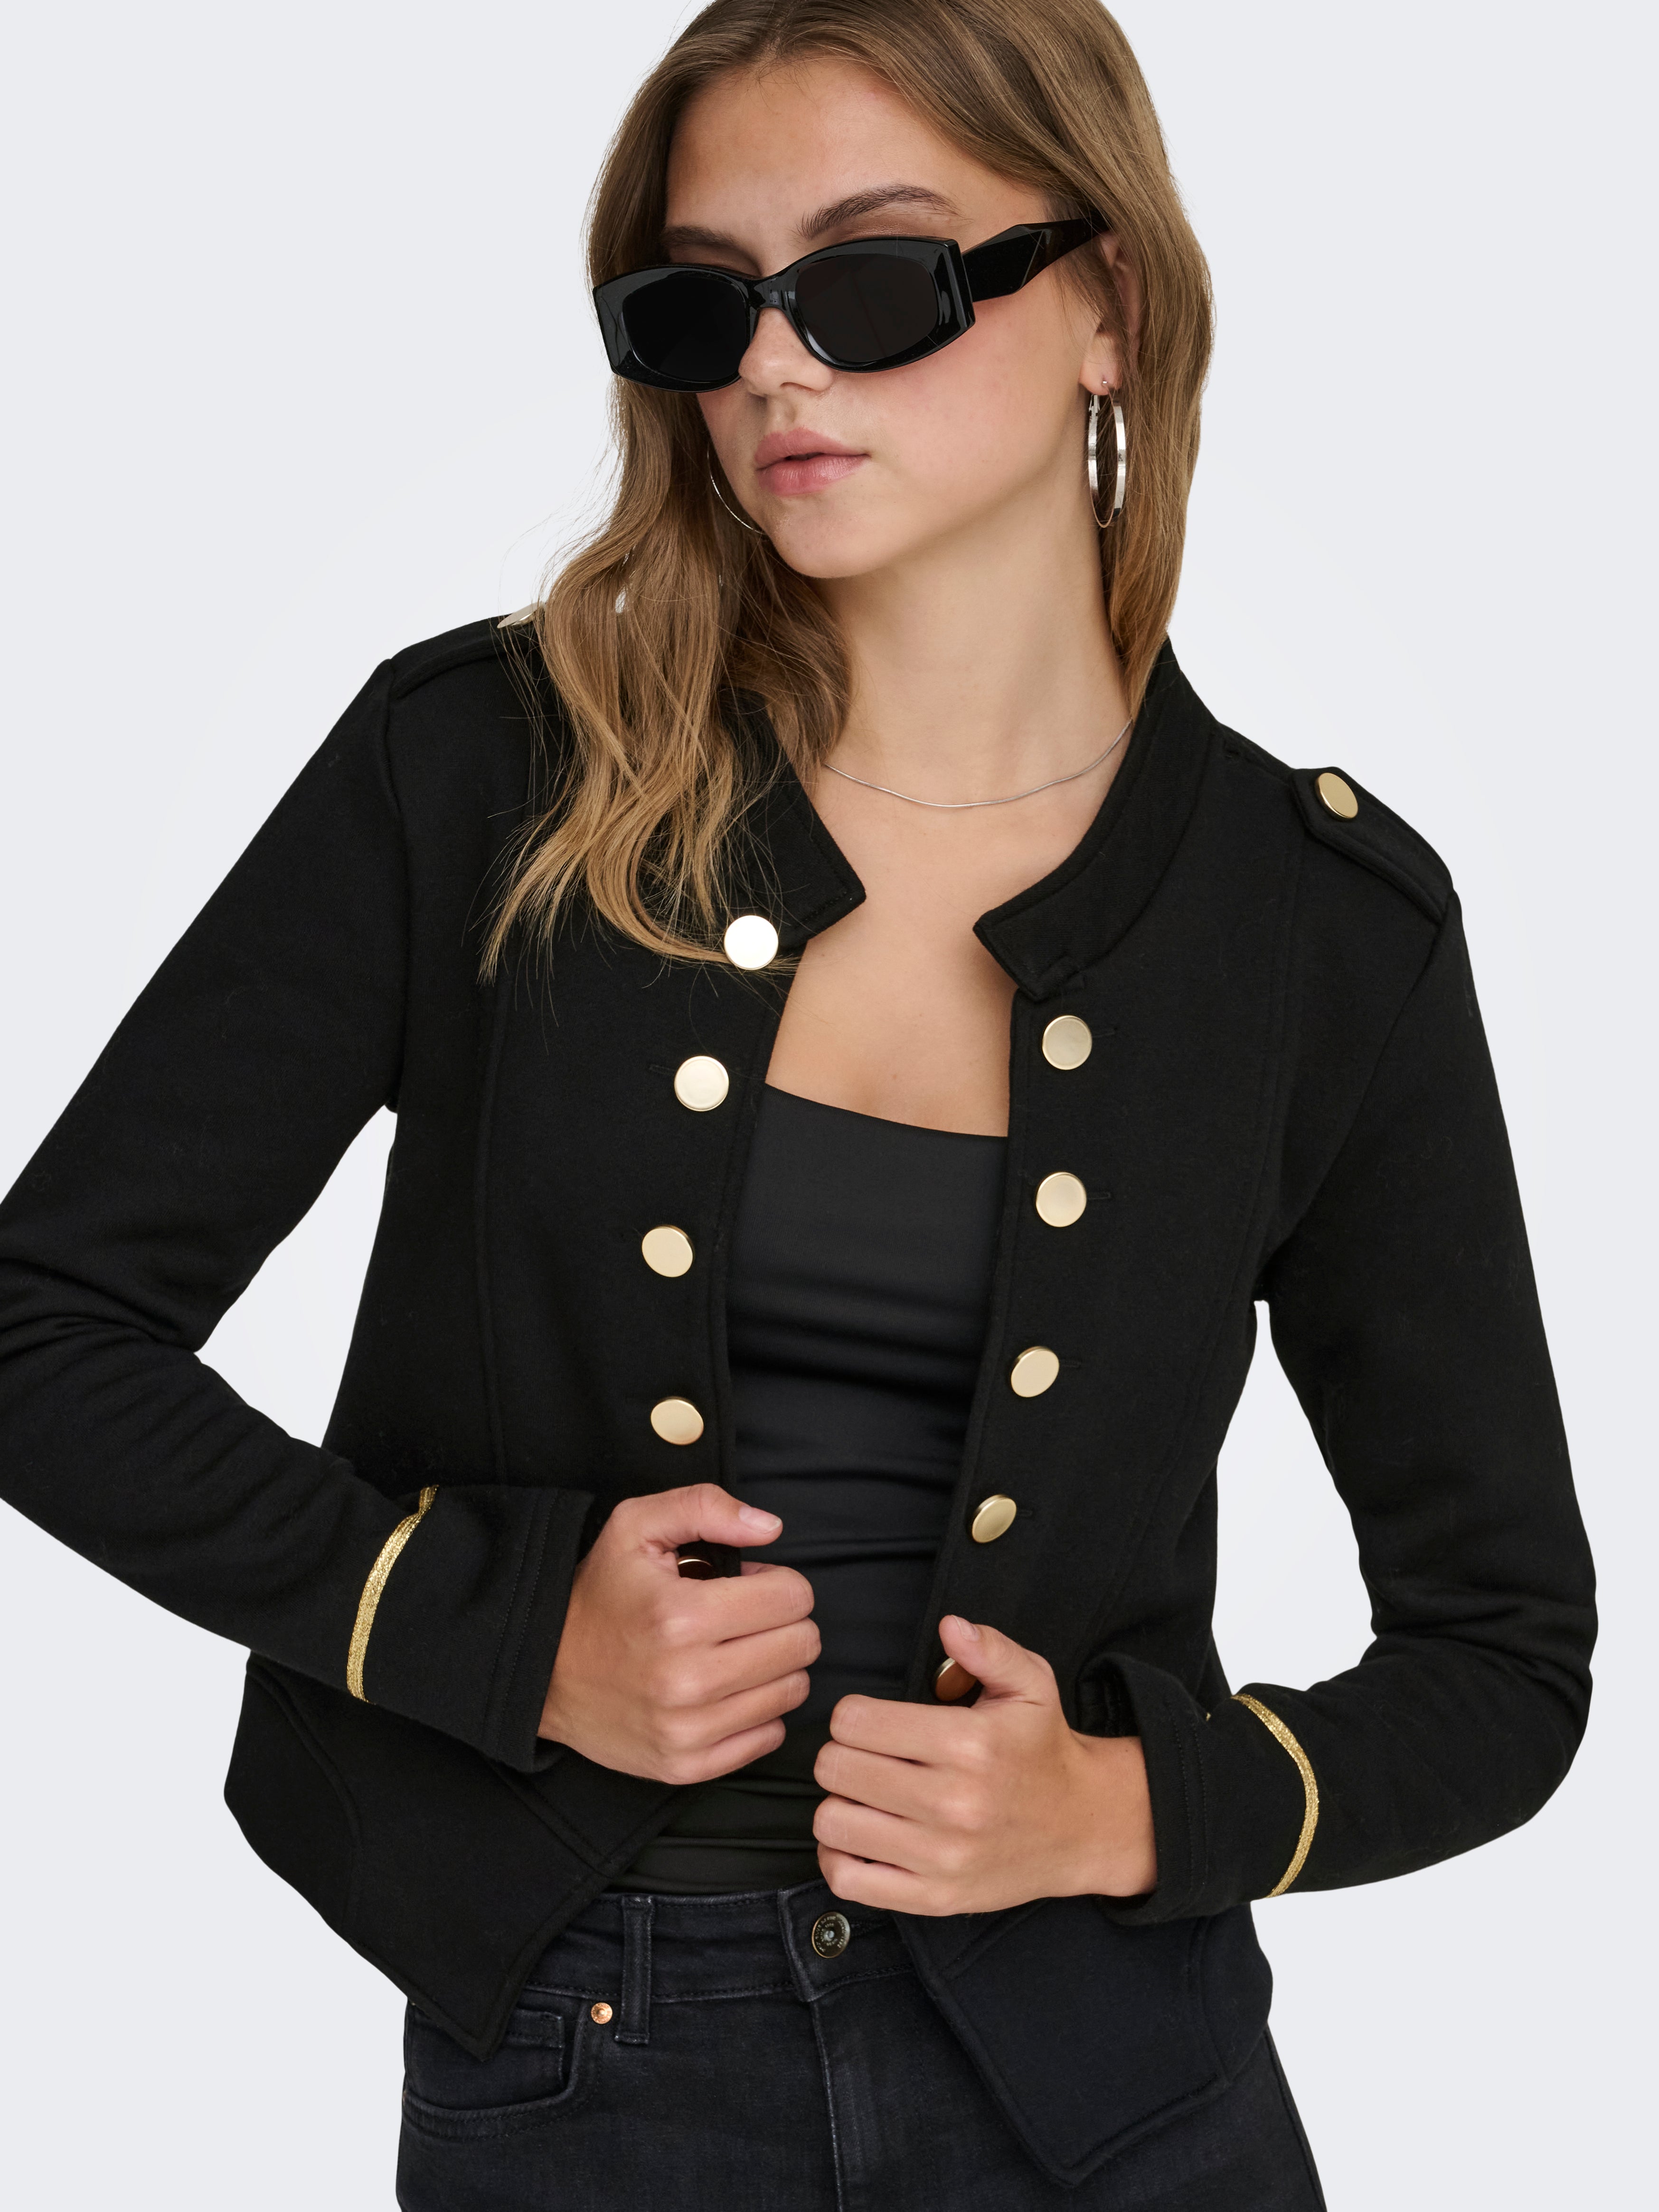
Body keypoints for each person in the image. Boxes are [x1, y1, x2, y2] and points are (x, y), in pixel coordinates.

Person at [0, 1, 1595, 2205]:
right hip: (589, 2068)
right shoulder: (483, 778)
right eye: (701, 303)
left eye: (871, 279)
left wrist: (1126, 1806)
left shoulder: (1322, 929)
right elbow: (47, 1327)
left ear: (1111, 306)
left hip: (1116, 2100)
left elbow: (1504, 1657)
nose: (771, 365)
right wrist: (492, 1630)